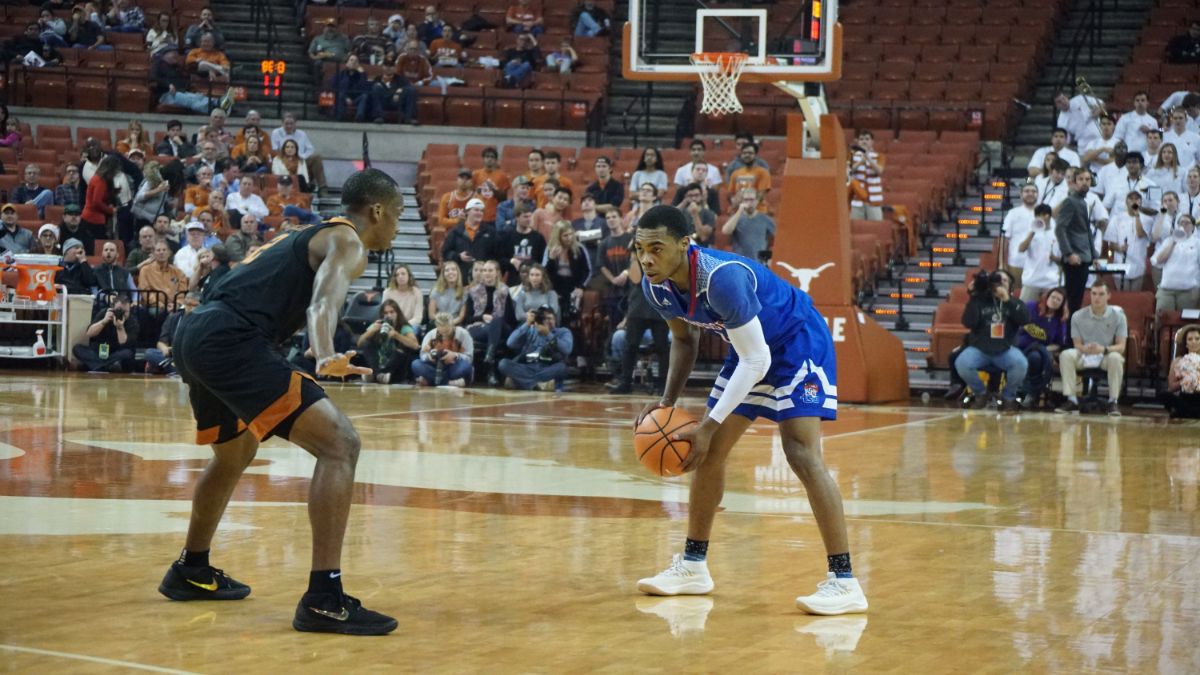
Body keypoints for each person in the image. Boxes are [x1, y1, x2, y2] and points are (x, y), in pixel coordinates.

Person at [158, 169, 400, 635]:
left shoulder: (309, 232)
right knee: (340, 444)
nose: (397, 224)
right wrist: (324, 353)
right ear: (377, 211)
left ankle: (191, 568)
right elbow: (321, 304)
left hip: (197, 331)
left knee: (234, 454)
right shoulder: (348, 241)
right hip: (231, 337)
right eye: (398, 214)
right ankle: (324, 598)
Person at [628, 205, 866, 615]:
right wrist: (667, 403)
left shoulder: (721, 279)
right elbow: (684, 341)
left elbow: (758, 361)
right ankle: (693, 566)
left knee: (800, 453)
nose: (646, 259)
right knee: (708, 453)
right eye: (640, 249)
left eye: (656, 248)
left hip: (797, 342)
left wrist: (707, 424)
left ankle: (845, 582)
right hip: (750, 350)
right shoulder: (657, 286)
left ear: (685, 245)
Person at [953, 269, 1030, 411]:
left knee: (1021, 363)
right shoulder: (980, 300)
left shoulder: (1015, 302)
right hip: (980, 349)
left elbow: (1024, 320)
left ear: (1010, 285)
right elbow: (968, 323)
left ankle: (1008, 397)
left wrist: (1007, 300)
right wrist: (973, 296)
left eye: (1005, 280)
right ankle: (981, 394)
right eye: (997, 280)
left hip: (1005, 349)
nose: (1001, 283)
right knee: (962, 363)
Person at [1056, 281, 1127, 416]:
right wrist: (1085, 348)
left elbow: (1121, 347)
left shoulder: (1119, 316)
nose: (1097, 297)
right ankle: (1071, 399)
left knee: (1116, 357)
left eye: (1101, 294)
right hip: (1084, 354)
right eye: (1094, 294)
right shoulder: (1077, 316)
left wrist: (1103, 349)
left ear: (1108, 296)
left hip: (1105, 355)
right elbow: (1077, 344)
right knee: (1066, 355)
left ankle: (1113, 401)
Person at [1016, 287, 1069, 409]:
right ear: (1047, 297)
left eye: (1058, 299)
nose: (1055, 301)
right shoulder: (1031, 307)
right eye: (1053, 297)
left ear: (1062, 304)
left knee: (1035, 358)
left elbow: (1059, 344)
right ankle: (1017, 392)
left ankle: (1030, 394)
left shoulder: (1060, 320)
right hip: (1020, 346)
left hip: (1039, 352)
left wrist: (1043, 349)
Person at [499, 305, 572, 391]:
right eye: (543, 319)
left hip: (548, 367)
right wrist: (527, 323)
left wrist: (548, 334)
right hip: (528, 366)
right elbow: (510, 343)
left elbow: (567, 349)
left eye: (549, 318)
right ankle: (538, 384)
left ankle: (521, 381)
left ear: (555, 319)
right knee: (503, 364)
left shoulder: (562, 332)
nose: (546, 321)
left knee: (562, 367)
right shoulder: (530, 330)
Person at [1054, 168, 1095, 314]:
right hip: (1074, 258)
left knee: (1076, 300)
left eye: (1087, 179)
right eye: (1081, 179)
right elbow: (1060, 228)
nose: (1084, 182)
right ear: (1074, 182)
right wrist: (1069, 253)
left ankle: (1071, 328)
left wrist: (1094, 255)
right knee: (1073, 301)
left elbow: (1086, 230)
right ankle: (1068, 329)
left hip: (1083, 257)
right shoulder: (1070, 201)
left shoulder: (1082, 202)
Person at [357, 299, 420, 384]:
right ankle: (378, 374)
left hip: (394, 370)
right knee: (367, 344)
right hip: (378, 363)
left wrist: (397, 335)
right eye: (386, 313)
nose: (389, 315)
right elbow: (360, 343)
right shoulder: (377, 324)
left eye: (392, 312)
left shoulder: (404, 327)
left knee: (402, 349)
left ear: (397, 313)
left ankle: (375, 375)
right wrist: (370, 332)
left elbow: (415, 345)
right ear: (382, 314)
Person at [73, 294, 140, 372]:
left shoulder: (132, 322)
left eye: (125, 312)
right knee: (77, 349)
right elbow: (90, 333)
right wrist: (103, 321)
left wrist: (120, 327)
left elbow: (123, 343)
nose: (122, 314)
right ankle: (105, 367)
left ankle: (97, 366)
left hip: (117, 353)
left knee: (127, 354)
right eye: (119, 310)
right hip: (100, 351)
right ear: (112, 308)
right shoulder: (104, 313)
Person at [1104, 191, 1152, 291]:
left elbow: (1140, 234)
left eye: (1137, 199)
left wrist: (1137, 215)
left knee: (1135, 295)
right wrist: (1119, 248)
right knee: (1123, 295)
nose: (1134, 201)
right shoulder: (1116, 218)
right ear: (1126, 202)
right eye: (1131, 199)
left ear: (1141, 202)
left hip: (1138, 265)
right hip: (1121, 264)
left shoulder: (1147, 219)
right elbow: (1111, 243)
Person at [1151, 213, 1200, 313]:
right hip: (1166, 289)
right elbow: (1158, 260)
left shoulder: (1197, 243)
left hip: (1189, 290)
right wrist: (1174, 241)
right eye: (1181, 223)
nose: (1184, 225)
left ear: (1193, 227)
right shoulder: (1168, 241)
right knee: (1163, 318)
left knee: (1185, 320)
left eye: (1187, 223)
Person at [543, 220, 591, 319]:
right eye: (565, 235)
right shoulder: (550, 249)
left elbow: (587, 271)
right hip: (555, 286)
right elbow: (544, 273)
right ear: (558, 237)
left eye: (571, 234)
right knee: (555, 310)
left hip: (574, 285)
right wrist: (551, 259)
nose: (569, 238)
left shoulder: (579, 248)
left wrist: (581, 287)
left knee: (573, 310)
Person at [146, 291, 201, 374]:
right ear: (184, 304)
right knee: (150, 353)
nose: (191, 309)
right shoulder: (173, 318)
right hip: (173, 354)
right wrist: (164, 349)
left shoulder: (203, 320)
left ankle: (172, 367)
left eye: (195, 305)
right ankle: (175, 368)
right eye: (189, 305)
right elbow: (161, 342)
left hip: (191, 354)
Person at [412, 312, 473, 386]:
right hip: (435, 367)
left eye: (447, 331)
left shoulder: (463, 334)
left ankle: (432, 382)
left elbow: (469, 358)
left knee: (466, 367)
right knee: (416, 364)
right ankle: (450, 383)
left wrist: (455, 355)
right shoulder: (430, 334)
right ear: (436, 326)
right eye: (441, 332)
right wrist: (429, 356)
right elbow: (422, 355)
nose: (444, 335)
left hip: (454, 365)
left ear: (452, 325)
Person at [1017, 205, 1061, 301]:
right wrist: (1033, 232)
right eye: (1037, 215)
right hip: (1031, 281)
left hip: (1051, 283)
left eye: (1042, 215)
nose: (1040, 218)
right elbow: (1021, 249)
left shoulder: (1058, 234)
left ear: (1048, 216)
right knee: (1024, 308)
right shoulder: (1030, 232)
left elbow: (1063, 260)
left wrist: (1054, 258)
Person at [721, 189, 776, 261]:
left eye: (752, 200)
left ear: (756, 201)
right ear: (742, 202)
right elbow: (725, 231)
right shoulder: (737, 218)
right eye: (746, 200)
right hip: (741, 261)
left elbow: (778, 236)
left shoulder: (765, 219)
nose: (749, 203)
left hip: (758, 262)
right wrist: (739, 211)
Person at [1163, 324, 1200, 418]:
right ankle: (1188, 411)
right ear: (1186, 343)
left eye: (1197, 339)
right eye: (1190, 339)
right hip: (1185, 397)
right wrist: (1186, 380)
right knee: (1164, 395)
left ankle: (1188, 412)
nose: (1194, 342)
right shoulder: (1177, 361)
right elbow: (1171, 387)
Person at [849, 130, 885, 220]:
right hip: (857, 199)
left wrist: (868, 158)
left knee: (876, 225)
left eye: (867, 139)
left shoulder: (879, 156)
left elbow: (879, 170)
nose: (864, 141)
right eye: (861, 139)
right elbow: (849, 171)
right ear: (858, 141)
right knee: (856, 226)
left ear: (872, 141)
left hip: (874, 199)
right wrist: (861, 161)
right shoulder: (852, 156)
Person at [382, 264, 423, 329]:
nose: (400, 276)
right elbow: (384, 314)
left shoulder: (417, 292)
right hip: (392, 325)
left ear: (409, 276)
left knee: (416, 328)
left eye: (403, 274)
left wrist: (403, 326)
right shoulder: (387, 292)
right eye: (397, 275)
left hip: (410, 325)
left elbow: (418, 318)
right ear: (395, 278)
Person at [427, 261, 467, 327]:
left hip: (455, 323)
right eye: (447, 270)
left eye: (453, 269)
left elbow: (461, 317)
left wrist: (450, 323)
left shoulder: (463, 292)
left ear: (458, 273)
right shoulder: (436, 290)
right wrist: (443, 323)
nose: (450, 272)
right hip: (438, 323)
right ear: (443, 274)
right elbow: (431, 315)